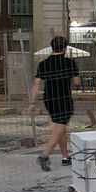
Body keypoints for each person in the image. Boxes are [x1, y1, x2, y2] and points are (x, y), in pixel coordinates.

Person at [31, 36, 77, 171]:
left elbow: (36, 84)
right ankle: (45, 154)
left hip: (49, 99)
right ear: (64, 48)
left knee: (59, 127)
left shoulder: (43, 64)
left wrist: (32, 102)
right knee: (60, 126)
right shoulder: (69, 62)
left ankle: (65, 156)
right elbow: (77, 82)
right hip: (64, 98)